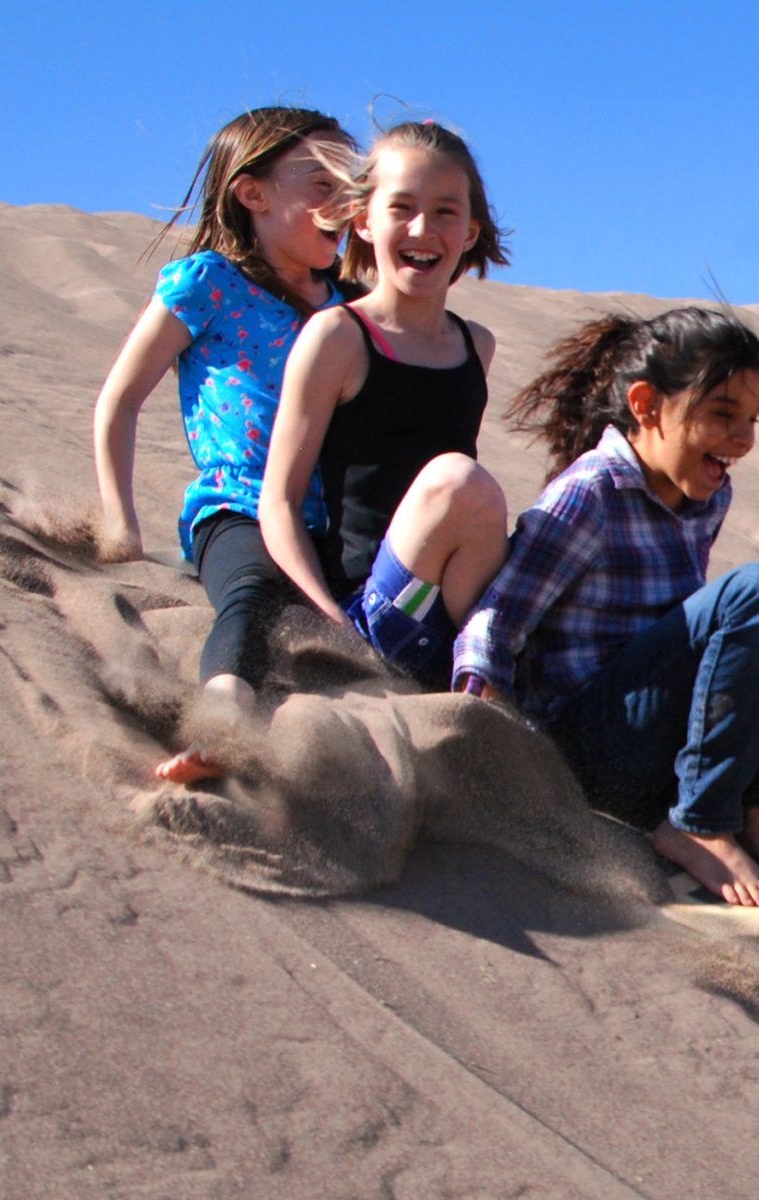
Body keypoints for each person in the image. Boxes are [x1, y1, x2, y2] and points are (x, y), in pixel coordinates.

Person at [454, 308, 759, 907]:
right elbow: (493, 624)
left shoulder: (707, 495)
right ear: (646, 405)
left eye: (753, 419)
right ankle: (699, 824)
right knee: (758, 587)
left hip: (665, 744)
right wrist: (496, 755)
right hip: (588, 756)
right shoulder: (591, 493)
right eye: (723, 414)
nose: (744, 438)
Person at [91, 106, 355, 783]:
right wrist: (121, 522)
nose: (343, 202)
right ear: (252, 192)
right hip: (237, 503)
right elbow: (120, 401)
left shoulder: (352, 307)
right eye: (321, 183)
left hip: (338, 516)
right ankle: (226, 716)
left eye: (352, 185)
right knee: (255, 590)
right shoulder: (211, 282)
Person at [258, 119, 510, 694]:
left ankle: (483, 672)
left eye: (446, 211)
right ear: (363, 220)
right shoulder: (338, 337)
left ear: (470, 232)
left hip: (446, 612)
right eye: (401, 207)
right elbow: (279, 501)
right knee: (458, 481)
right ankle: (481, 674)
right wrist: (327, 620)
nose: (423, 228)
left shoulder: (476, 345)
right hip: (369, 615)